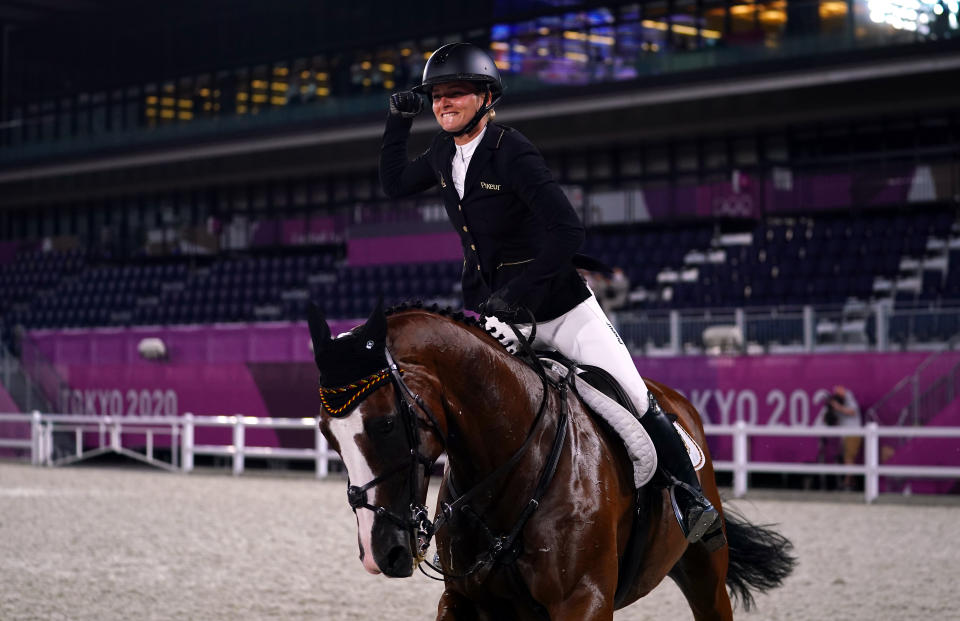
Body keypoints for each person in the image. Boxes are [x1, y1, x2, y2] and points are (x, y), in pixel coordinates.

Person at [378, 42, 717, 542]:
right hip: (498, 315)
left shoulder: (510, 149)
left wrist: (520, 293)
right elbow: (393, 184)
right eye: (436, 96)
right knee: (477, 414)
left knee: (635, 395)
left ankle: (692, 502)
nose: (443, 104)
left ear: (486, 98)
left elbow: (567, 232)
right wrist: (397, 123)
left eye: (456, 94)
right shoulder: (440, 153)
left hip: (561, 310)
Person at [826, 385, 862, 490]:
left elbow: (853, 411)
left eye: (838, 393)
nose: (837, 395)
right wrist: (831, 409)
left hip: (853, 434)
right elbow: (831, 420)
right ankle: (851, 482)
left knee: (848, 459)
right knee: (846, 459)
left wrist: (838, 407)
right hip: (846, 435)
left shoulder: (849, 399)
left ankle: (848, 483)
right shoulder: (839, 402)